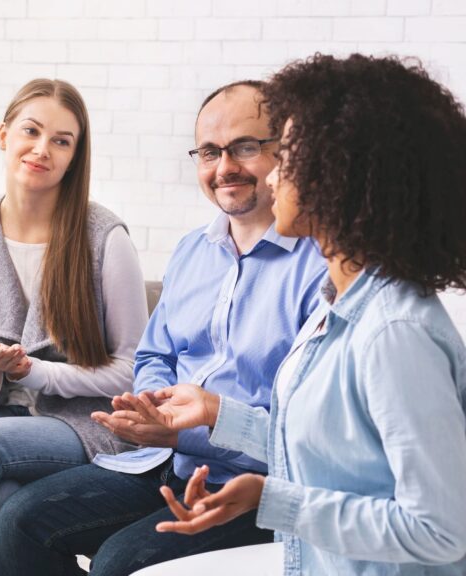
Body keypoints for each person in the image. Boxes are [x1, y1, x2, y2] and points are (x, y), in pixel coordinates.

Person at [137, 54, 466, 575]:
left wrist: (277, 502)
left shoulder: (394, 332)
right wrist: (229, 433)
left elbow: (441, 530)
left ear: (344, 180)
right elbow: (315, 441)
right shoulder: (338, 306)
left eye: (286, 156)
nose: (270, 179)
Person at [0, 81, 327, 575]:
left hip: (254, 484)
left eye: (244, 147)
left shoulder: (322, 267)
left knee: (117, 563)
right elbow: (155, 356)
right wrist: (155, 409)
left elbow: (304, 433)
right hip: (164, 463)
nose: (224, 167)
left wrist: (185, 428)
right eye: (210, 152)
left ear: (286, 153)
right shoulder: (194, 250)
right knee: (21, 518)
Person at [0, 78, 149, 576]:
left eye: (62, 141)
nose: (42, 149)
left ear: (74, 156)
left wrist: (34, 374)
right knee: (0, 503)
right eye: (31, 131)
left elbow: (132, 371)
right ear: (3, 135)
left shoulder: (105, 236)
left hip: (84, 421)